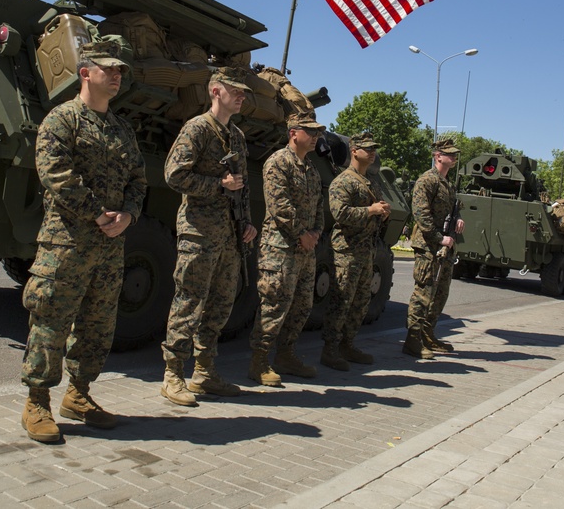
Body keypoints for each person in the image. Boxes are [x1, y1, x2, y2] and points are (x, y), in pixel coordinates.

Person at [21, 40, 148, 443]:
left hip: (110, 246)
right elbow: (55, 173)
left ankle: (79, 395)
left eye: (121, 71)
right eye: (109, 68)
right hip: (67, 243)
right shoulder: (62, 120)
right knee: (51, 320)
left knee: (97, 325)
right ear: (85, 72)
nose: (116, 75)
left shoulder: (122, 129)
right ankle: (37, 401)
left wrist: (128, 214)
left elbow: (138, 181)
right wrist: (96, 212)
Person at [161, 67, 258, 406]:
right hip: (199, 231)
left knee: (220, 305)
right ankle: (173, 374)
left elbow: (241, 186)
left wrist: (246, 222)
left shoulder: (238, 137)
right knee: (189, 301)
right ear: (216, 91)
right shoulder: (198, 128)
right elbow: (174, 175)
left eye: (244, 91)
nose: (242, 95)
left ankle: (205, 372)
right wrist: (217, 185)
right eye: (235, 90)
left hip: (229, 235)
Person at [248, 112, 326, 386]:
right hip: (280, 248)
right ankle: (259, 361)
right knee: (274, 303)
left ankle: (286, 355)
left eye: (317, 133)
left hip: (306, 250)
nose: (316, 137)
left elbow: (319, 209)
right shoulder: (278, 163)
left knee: (302, 305)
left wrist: (315, 233)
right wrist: (301, 234)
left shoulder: (312, 170)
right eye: (310, 131)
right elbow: (279, 205)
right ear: (294, 133)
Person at [320, 131, 392, 371]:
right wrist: (371, 211)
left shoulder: (369, 182)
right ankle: (330, 350)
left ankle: (347, 344)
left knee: (360, 304)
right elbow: (340, 214)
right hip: (347, 252)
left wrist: (382, 213)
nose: (372, 153)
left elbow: (372, 214)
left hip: (365, 252)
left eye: (373, 149)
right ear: (354, 151)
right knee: (341, 303)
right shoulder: (343, 181)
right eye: (367, 148)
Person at [405, 138, 464, 359]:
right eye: (449, 153)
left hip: (445, 247)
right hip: (429, 246)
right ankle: (412, 339)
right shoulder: (426, 181)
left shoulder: (448, 184)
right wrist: (440, 239)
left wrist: (459, 220)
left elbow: (451, 211)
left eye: (455, 154)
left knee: (440, 294)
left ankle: (428, 334)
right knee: (423, 293)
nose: (454, 157)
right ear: (437, 156)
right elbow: (422, 216)